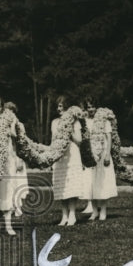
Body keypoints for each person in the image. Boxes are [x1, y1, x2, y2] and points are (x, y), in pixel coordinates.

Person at [51, 95, 84, 226]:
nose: (59, 109)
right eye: (58, 106)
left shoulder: (75, 122)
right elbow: (53, 140)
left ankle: (72, 214)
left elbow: (80, 140)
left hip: (72, 155)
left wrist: (69, 131)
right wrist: (52, 155)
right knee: (61, 186)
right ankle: (64, 215)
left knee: (72, 185)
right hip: (59, 156)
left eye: (61, 106)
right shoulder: (54, 122)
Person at [85, 98, 117, 221]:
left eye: (92, 107)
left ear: (96, 108)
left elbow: (109, 138)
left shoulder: (104, 121)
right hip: (90, 155)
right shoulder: (86, 121)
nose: (90, 109)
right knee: (90, 182)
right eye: (88, 107)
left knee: (102, 182)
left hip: (102, 153)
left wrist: (107, 154)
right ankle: (94, 211)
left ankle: (103, 210)